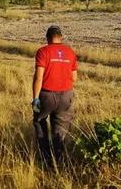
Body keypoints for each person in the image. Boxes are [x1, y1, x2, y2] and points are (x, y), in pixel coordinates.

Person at [31, 25, 78, 168]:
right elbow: (74, 78)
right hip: (66, 95)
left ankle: (45, 157)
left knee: (39, 121)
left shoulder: (42, 52)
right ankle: (59, 159)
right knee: (60, 128)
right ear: (61, 37)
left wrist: (36, 98)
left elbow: (39, 77)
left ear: (47, 38)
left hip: (46, 95)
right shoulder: (70, 52)